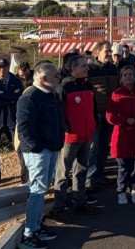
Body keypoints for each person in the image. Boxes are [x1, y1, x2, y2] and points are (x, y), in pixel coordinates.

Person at [16, 62, 66, 249]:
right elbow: (24, 127)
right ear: (43, 79)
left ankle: (37, 225)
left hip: (52, 148)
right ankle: (29, 233)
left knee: (42, 190)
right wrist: (38, 148)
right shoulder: (29, 98)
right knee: (37, 192)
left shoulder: (52, 94)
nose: (58, 78)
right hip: (39, 152)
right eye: (55, 76)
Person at [50, 55, 99, 222]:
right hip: (70, 138)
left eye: (86, 66)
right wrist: (66, 127)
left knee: (82, 170)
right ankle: (59, 207)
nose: (86, 68)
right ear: (73, 68)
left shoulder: (87, 85)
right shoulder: (65, 87)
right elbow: (59, 112)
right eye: (83, 66)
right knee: (63, 173)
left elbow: (93, 108)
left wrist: (94, 123)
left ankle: (79, 201)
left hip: (86, 135)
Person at [106, 65, 135, 205]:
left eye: (130, 74)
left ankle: (134, 188)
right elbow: (110, 116)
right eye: (125, 75)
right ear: (121, 78)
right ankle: (121, 190)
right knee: (123, 166)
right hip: (123, 135)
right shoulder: (116, 94)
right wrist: (125, 120)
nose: (128, 77)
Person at [0, 58, 25, 186]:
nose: (2, 70)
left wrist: (1, 96)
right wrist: (9, 99)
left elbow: (18, 97)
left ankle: (25, 175)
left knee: (19, 148)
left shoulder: (16, 81)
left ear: (8, 68)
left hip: (12, 121)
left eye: (5, 67)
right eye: (0, 67)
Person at [87, 41, 120, 187]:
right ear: (97, 52)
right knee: (93, 147)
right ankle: (90, 177)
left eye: (110, 50)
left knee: (104, 146)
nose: (109, 53)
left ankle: (99, 173)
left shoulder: (113, 69)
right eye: (107, 51)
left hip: (110, 113)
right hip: (95, 114)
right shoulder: (90, 70)